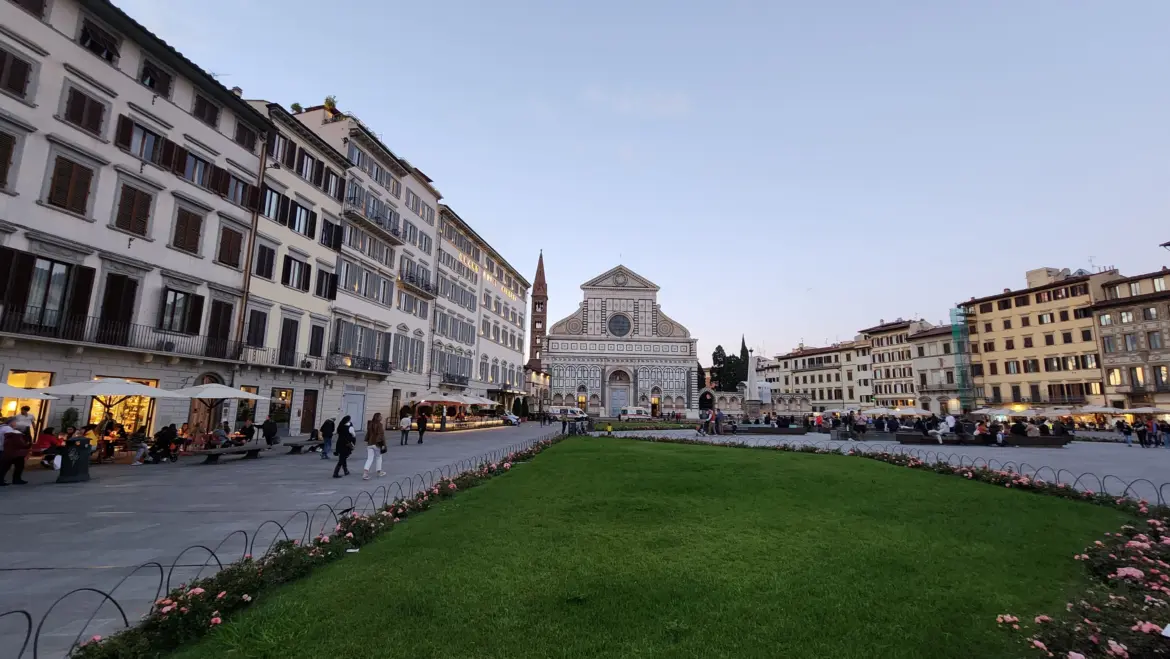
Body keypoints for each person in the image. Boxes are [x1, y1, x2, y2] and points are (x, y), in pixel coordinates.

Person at [0, 418, 29, 485]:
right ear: (12, 423)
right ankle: (16, 479)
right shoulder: (9, 430)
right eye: (16, 422)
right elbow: (16, 442)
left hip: (4, 449)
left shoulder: (2, 427)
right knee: (18, 465)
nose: (16, 424)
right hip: (11, 451)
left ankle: (2, 479)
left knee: (4, 466)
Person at [363, 413, 386, 480]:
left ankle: (365, 473)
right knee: (379, 457)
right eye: (380, 416)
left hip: (370, 443)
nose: (381, 417)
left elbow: (368, 434)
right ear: (378, 418)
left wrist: (367, 440)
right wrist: (383, 444)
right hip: (377, 444)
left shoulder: (370, 424)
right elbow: (381, 435)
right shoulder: (379, 425)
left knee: (369, 459)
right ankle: (379, 471)